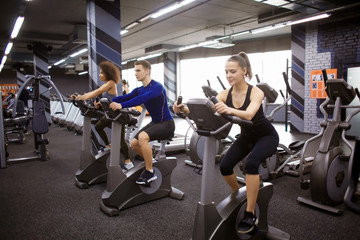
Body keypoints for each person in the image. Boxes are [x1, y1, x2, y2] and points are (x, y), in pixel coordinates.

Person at [173, 52, 279, 234]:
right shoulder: (224, 93)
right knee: (225, 166)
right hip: (247, 136)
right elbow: (207, 108)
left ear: (244, 71)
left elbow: (249, 114)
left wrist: (228, 109)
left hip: (266, 136)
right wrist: (184, 110)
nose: (229, 75)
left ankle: (250, 212)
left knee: (252, 165)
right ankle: (239, 194)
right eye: (226, 72)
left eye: (233, 71)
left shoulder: (256, 92)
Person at [109, 60, 175, 185]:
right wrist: (108, 102)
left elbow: (141, 99)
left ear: (147, 71)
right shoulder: (140, 89)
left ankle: (150, 171)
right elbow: (124, 97)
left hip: (167, 124)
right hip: (155, 122)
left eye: (138, 70)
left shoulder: (157, 87)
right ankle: (152, 161)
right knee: (134, 143)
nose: (135, 74)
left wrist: (120, 105)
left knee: (142, 137)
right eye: (135, 71)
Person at [71, 60, 133, 170]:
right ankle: (108, 146)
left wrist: (82, 97)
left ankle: (128, 162)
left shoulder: (111, 82)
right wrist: (99, 104)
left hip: (119, 115)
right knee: (99, 126)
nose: (100, 75)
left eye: (101, 73)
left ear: (108, 73)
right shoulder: (107, 84)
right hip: (111, 114)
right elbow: (107, 99)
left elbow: (97, 92)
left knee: (121, 139)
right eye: (99, 73)